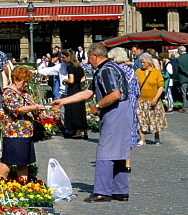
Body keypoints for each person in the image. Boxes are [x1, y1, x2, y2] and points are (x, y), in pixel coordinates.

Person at [54, 42, 134, 202]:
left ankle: (102, 191)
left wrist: (97, 106)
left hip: (116, 110)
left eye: (89, 58)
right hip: (123, 110)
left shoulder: (106, 70)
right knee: (119, 153)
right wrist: (63, 101)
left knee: (105, 152)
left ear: (95, 56)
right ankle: (120, 190)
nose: (87, 61)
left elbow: (114, 94)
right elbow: (87, 93)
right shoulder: (106, 68)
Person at [0, 66, 44, 183]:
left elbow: (30, 105)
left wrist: (37, 112)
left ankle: (23, 184)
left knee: (24, 162)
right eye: (24, 81)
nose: (25, 84)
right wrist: (34, 107)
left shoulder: (24, 93)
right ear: (16, 79)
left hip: (26, 132)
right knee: (8, 160)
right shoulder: (8, 93)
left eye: (27, 82)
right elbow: (16, 109)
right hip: (14, 131)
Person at [135, 52, 167, 146]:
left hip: (154, 100)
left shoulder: (156, 72)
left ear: (149, 62)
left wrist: (156, 98)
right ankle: (142, 139)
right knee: (140, 120)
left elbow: (161, 86)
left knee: (155, 119)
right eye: (141, 62)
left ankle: (157, 138)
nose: (142, 64)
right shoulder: (138, 71)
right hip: (141, 100)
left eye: (144, 62)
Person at [58, 49, 88, 139]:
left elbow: (71, 80)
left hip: (72, 90)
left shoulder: (70, 66)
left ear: (68, 57)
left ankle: (76, 131)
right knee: (81, 110)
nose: (61, 59)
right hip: (80, 89)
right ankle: (84, 131)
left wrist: (64, 80)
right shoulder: (78, 64)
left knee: (73, 110)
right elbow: (84, 77)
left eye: (63, 57)